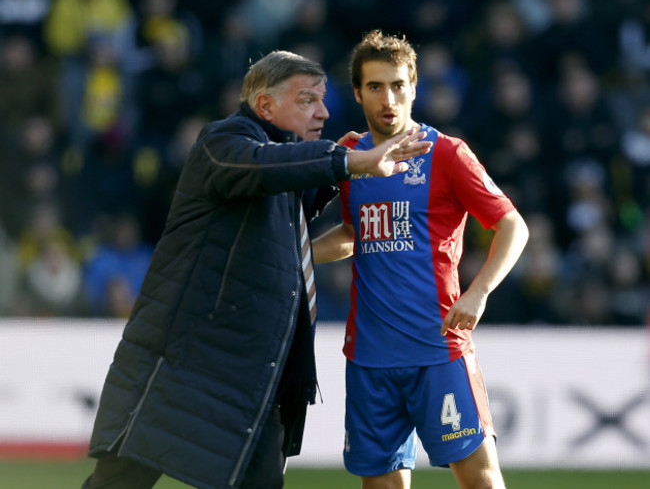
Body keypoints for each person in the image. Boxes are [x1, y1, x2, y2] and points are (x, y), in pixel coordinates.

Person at [82, 49, 432, 489]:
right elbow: (263, 168)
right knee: (121, 481)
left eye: (322, 100)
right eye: (307, 100)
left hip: (253, 373)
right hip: (183, 361)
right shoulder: (222, 142)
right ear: (265, 106)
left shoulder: (285, 162)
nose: (323, 111)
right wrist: (345, 162)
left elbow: (284, 197)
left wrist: (334, 175)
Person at [313, 30, 529, 489]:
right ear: (357, 93)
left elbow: (513, 225)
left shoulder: (447, 153)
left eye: (397, 85)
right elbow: (356, 234)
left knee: (481, 481)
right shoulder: (351, 160)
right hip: (370, 359)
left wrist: (479, 292)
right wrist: (297, 257)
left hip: (437, 350)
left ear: (414, 87)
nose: (388, 98)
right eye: (375, 86)